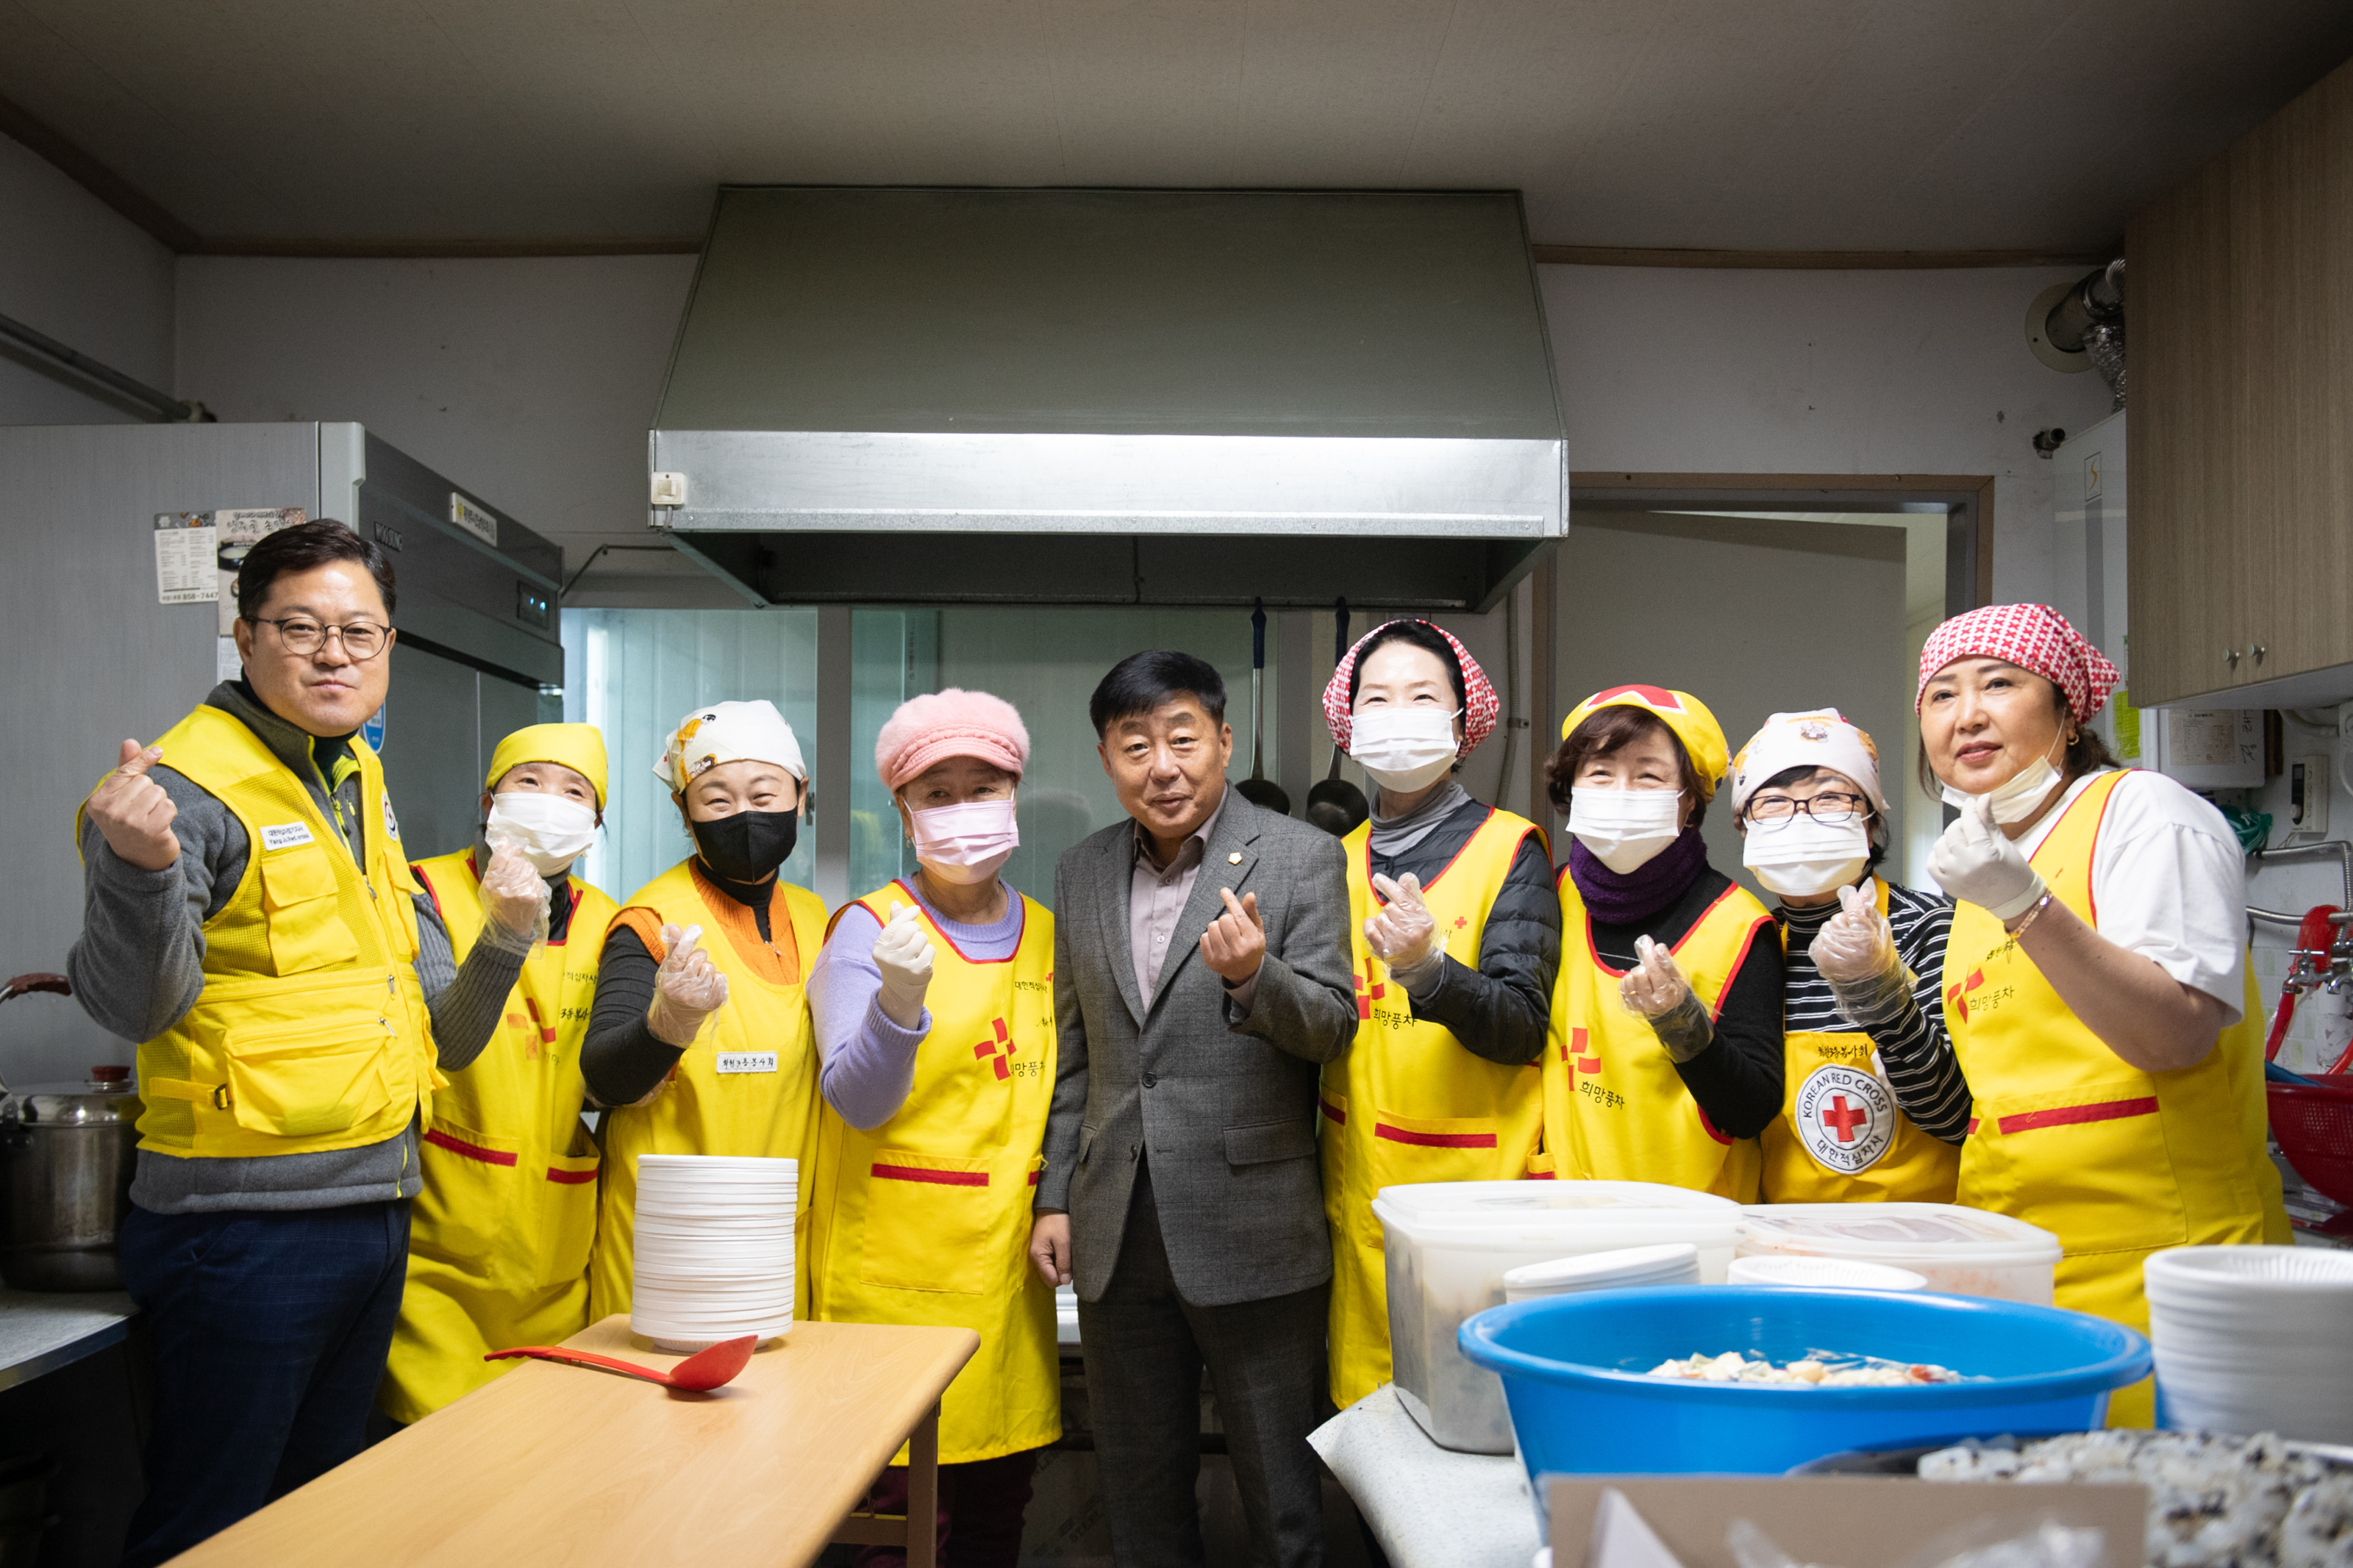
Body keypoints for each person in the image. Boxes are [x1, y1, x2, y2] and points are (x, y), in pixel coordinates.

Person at [67, 520, 544, 1567]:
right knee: (215, 1525)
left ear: (389, 647)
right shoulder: (180, 794)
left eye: (359, 632)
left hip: (373, 1207)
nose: (335, 654)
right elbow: (134, 1006)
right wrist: (140, 868)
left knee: (321, 1520)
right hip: (243, 1227)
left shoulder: (354, 778)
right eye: (301, 628)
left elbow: (444, 1036)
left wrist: (508, 940)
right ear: (245, 638)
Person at [1907, 604, 2288, 1425]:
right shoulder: (1982, 875)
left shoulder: (2144, 812)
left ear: (2069, 711)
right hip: (2024, 1274)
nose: (1966, 714)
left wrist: (2024, 905)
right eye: (1940, 695)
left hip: (2167, 1272)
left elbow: (2174, 1033)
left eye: (1998, 684)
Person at [1030, 651, 1357, 1568]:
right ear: (1106, 759)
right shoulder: (1080, 869)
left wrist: (1254, 979)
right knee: (1138, 1499)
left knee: (1281, 1501)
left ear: (1222, 741)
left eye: (1181, 739)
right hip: (1115, 1225)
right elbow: (1077, 1053)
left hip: (1252, 1225)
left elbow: (1332, 1028)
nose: (1162, 767)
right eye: (1135, 746)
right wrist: (1055, 1197)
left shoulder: (1301, 856)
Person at [806, 689, 1056, 1568]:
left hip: (1006, 1285)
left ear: (1014, 794)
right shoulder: (867, 931)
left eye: (981, 788)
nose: (961, 809)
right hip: (894, 1289)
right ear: (903, 810)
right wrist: (897, 1005)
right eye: (936, 793)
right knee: (903, 1528)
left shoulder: (1047, 936)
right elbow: (856, 1101)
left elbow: (1068, 1092)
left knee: (995, 1517)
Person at [1313, 618, 1557, 1412]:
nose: (1398, 714)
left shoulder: (1509, 850)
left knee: (1467, 1415)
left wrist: (1430, 971)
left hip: (1470, 1194)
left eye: (1422, 697)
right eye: (1376, 699)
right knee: (1365, 1420)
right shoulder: (1332, 860)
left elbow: (1521, 1025)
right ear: (1349, 724)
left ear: (1462, 721)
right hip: (1357, 1186)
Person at [379, 723, 617, 1426]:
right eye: (528, 782)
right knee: (433, 1456)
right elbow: (445, 1042)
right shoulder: (423, 889)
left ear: (594, 825)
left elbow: (603, 1077)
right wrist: (506, 931)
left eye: (574, 792)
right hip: (437, 1253)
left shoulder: (610, 922)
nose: (549, 801)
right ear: (489, 802)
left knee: (542, 1456)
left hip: (554, 1259)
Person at [579, 699, 827, 1322]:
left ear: (801, 796)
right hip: (672, 1241)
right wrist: (665, 1026)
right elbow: (603, 1076)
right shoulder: (653, 920)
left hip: (780, 1232)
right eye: (717, 799)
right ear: (685, 811)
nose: (744, 814)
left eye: (764, 793)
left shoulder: (816, 918)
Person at [1539, 686, 1782, 1198]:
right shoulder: (1550, 895)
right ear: (1572, 787)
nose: (1620, 791)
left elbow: (1752, 1110)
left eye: (1648, 775)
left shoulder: (1741, 927)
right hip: (1562, 1216)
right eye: (1600, 772)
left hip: (1692, 1223)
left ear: (1689, 800)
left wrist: (1682, 1024)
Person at [1727, 710, 1961, 1203]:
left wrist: (1883, 995)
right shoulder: (1748, 947)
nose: (1802, 818)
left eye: (1830, 797)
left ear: (1870, 822)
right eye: (1773, 802)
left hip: (1925, 1229)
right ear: (1745, 830)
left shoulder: (1933, 927)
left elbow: (1953, 1116)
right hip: (1789, 1235)